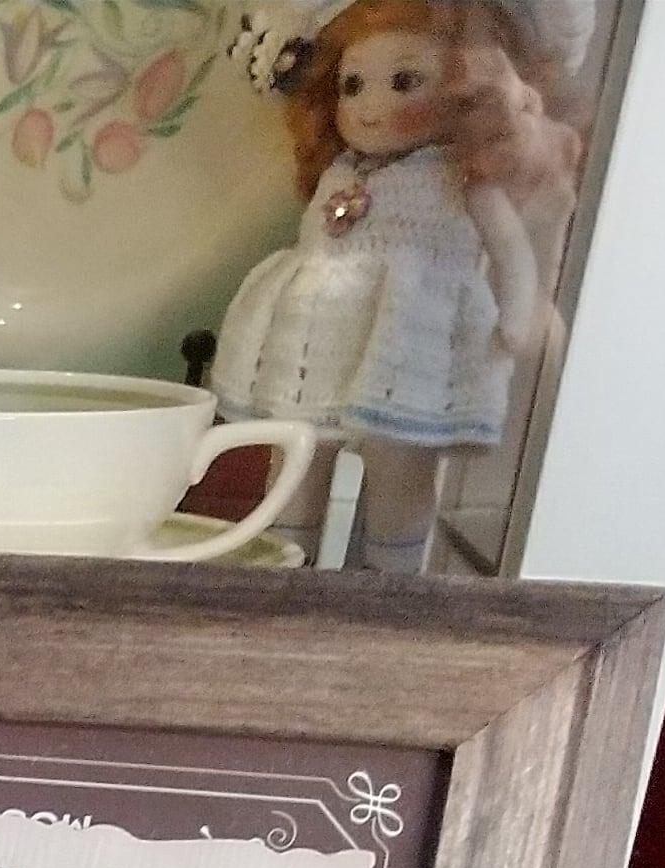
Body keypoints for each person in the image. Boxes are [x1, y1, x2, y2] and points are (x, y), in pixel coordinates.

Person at [210, 0, 580, 575]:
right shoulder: (340, 171)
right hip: (320, 348)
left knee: (399, 475)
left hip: (410, 351)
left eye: (405, 82)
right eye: (352, 85)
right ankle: (287, 563)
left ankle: (390, 582)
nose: (370, 107)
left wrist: (516, 315)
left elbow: (509, 248)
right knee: (297, 460)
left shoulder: (459, 178)